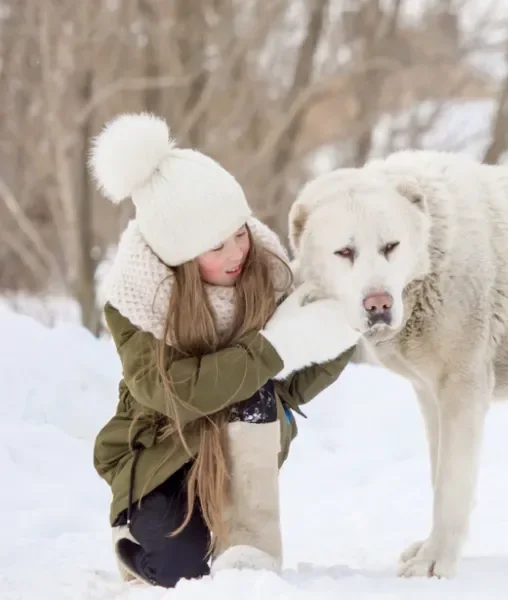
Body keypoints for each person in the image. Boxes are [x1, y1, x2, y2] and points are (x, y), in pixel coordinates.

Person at [88, 113, 362, 588]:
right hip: (164, 446)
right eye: (216, 246)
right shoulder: (136, 299)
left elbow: (285, 384)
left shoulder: (268, 271)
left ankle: (249, 546)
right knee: (176, 569)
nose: (238, 252)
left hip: (240, 448)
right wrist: (276, 347)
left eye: (239, 231)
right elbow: (170, 393)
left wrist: (337, 333)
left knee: (254, 386)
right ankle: (136, 531)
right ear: (179, 256)